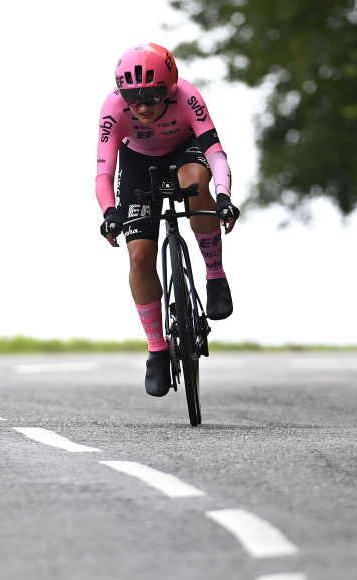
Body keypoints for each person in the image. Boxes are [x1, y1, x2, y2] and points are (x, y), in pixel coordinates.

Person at [95, 43, 240, 397]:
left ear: (171, 87)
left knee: (194, 183)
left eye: (153, 96)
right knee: (140, 257)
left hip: (183, 150)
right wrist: (109, 213)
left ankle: (215, 276)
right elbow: (103, 172)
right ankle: (157, 350)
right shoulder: (114, 108)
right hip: (136, 164)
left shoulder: (188, 96)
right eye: (134, 98)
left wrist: (223, 197)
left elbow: (216, 153)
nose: (142, 107)